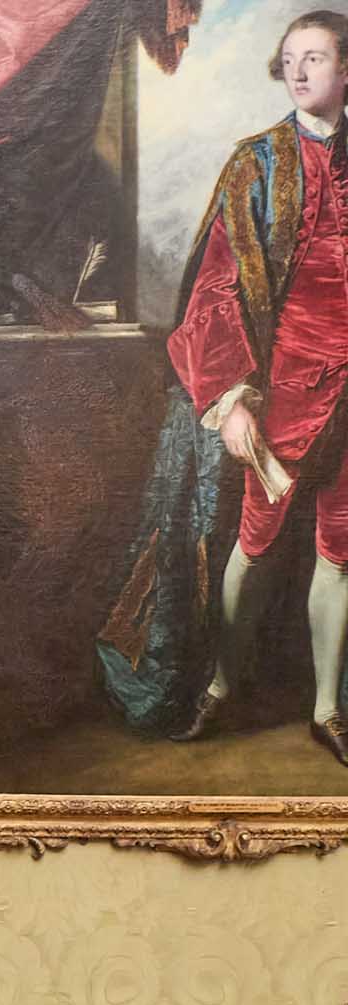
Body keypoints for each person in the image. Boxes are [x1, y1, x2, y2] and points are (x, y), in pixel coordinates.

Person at [103, 11, 348, 762]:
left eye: (316, 58)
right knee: (255, 545)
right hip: (286, 386)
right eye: (290, 58)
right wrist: (233, 394)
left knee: (340, 551)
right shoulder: (258, 163)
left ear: (347, 70)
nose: (299, 71)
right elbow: (217, 288)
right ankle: (218, 686)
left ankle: (329, 709)